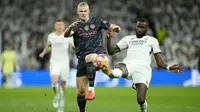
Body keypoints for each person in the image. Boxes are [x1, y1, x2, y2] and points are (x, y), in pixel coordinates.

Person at [103, 18, 184, 112]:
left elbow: (159, 61)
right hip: (129, 64)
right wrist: (108, 38)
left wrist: (169, 67)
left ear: (147, 28)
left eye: (142, 27)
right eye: (138, 27)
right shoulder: (128, 38)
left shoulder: (152, 40)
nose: (139, 29)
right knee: (120, 67)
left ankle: (143, 110)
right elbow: (111, 51)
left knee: (141, 100)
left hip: (143, 68)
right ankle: (111, 73)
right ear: (136, 27)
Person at [64, 2, 120, 112]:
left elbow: (112, 26)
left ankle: (91, 89)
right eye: (81, 11)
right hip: (82, 59)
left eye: (85, 11)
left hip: (98, 55)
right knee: (80, 91)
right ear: (78, 12)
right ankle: (82, 110)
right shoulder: (76, 26)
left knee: (90, 57)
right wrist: (69, 27)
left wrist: (116, 28)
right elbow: (66, 35)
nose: (83, 13)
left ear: (88, 11)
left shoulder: (96, 21)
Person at [39, 20, 74, 112]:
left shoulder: (68, 35)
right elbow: (49, 46)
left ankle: (61, 104)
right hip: (54, 62)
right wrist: (43, 52)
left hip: (65, 63)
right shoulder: (51, 36)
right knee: (54, 82)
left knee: (63, 84)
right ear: (55, 26)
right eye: (58, 24)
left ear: (64, 26)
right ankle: (56, 95)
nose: (60, 26)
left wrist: (74, 46)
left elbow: (73, 46)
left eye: (61, 25)